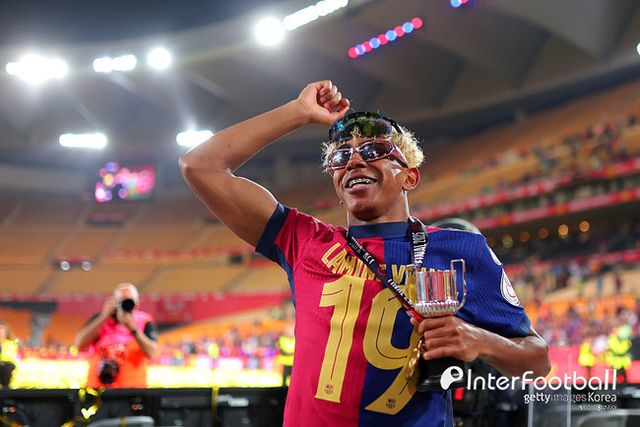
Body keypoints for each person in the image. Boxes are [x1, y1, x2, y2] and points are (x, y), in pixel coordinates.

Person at [179, 80, 550, 426]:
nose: (354, 161)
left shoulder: (461, 248)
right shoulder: (304, 240)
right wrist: (298, 111)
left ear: (409, 176)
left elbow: (538, 361)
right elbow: (199, 166)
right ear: (336, 183)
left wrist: (480, 340)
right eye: (340, 157)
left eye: (374, 151)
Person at [74, 283, 158, 388]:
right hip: (98, 389)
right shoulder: (100, 318)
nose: (124, 305)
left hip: (133, 389)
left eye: (129, 301)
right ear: (113, 302)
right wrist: (103, 317)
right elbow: (79, 345)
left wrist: (133, 329)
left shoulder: (144, 321)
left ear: (136, 304)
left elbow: (152, 352)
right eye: (120, 301)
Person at [0, 320, 18, 388]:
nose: (0, 332)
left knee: (6, 368)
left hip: (7, 365)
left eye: (2, 329)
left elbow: (10, 356)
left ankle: (6, 389)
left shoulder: (11, 343)